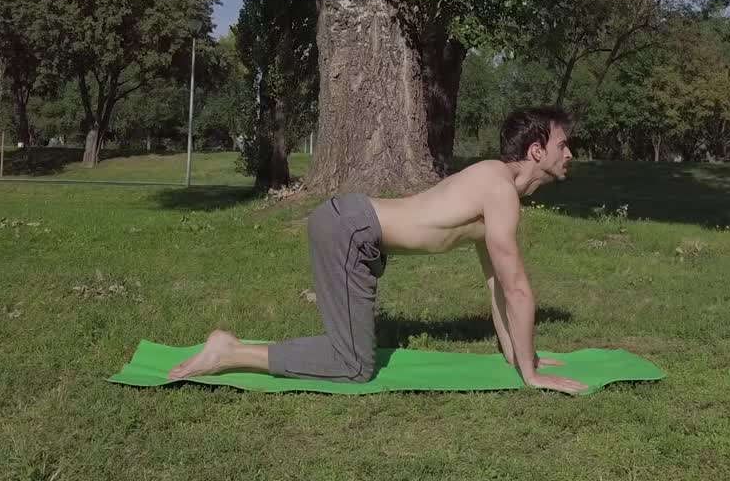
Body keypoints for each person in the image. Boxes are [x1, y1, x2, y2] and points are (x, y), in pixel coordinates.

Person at [167, 106, 587, 394]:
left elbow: (496, 283)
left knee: (350, 357)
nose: (569, 154)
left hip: (352, 227)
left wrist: (521, 357)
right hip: (351, 230)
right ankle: (229, 351)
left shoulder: (494, 184)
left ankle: (231, 348)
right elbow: (517, 288)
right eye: (562, 145)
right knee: (353, 367)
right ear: (537, 150)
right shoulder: (498, 188)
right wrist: (531, 376)